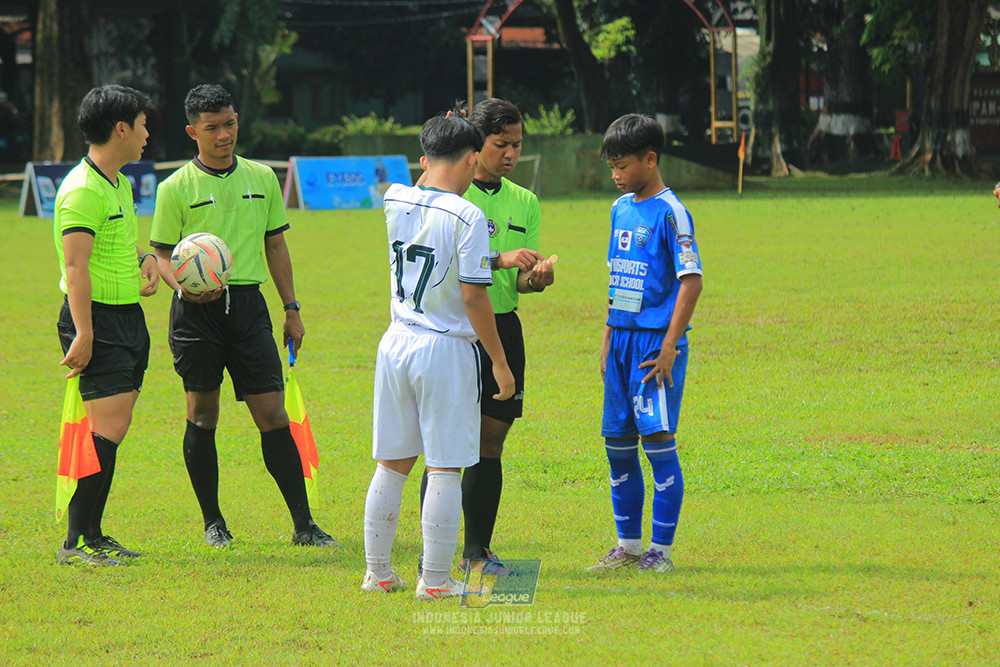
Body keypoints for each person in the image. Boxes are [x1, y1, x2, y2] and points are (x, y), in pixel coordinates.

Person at [149, 84, 335, 548]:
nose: (223, 134)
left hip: (249, 307)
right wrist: (186, 288)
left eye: (229, 123)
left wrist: (291, 309)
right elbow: (161, 254)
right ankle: (213, 523)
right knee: (203, 413)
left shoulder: (263, 178)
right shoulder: (175, 188)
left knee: (273, 414)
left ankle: (304, 526)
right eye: (212, 128)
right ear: (193, 131)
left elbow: (276, 244)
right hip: (195, 316)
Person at [361, 108, 515, 600]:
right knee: (446, 466)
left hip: (396, 341)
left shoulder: (394, 197)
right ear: (474, 159)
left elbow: (428, 186)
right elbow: (473, 295)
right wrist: (499, 360)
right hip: (444, 349)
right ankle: (435, 581)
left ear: (423, 159)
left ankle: (378, 572)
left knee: (391, 464)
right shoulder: (468, 213)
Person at [418, 98, 555, 577]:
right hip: (455, 330)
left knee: (490, 441)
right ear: (477, 146)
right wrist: (501, 256)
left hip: (504, 327)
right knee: (446, 446)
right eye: (501, 144)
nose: (511, 154)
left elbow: (518, 281)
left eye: (517, 145)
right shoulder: (448, 195)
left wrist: (534, 279)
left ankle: (477, 551)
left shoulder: (526, 201)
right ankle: (430, 554)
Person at [587, 114, 703, 573]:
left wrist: (672, 344)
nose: (615, 174)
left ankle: (661, 551)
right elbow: (618, 279)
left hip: (656, 346)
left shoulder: (671, 212)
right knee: (617, 445)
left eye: (621, 165)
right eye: (611, 166)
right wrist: (607, 334)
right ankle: (628, 545)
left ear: (650, 159)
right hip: (621, 342)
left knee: (657, 444)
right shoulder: (619, 209)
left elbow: (691, 282)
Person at [54, 84, 160, 565]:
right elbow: (76, 267)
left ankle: (93, 534)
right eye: (141, 124)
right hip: (95, 320)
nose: (145, 133)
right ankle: (77, 542)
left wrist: (144, 260)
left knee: (113, 426)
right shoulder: (81, 190)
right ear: (120, 128)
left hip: (127, 317)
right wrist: (85, 331)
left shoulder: (115, 182)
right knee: (107, 429)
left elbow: (111, 246)